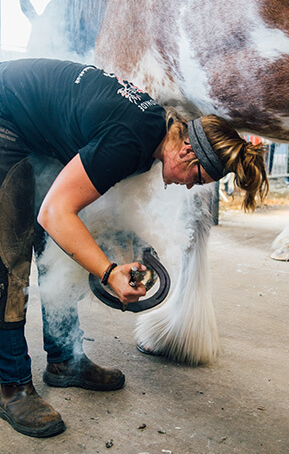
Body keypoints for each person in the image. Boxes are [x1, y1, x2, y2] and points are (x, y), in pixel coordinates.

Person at [0, 58, 268, 438]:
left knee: (59, 250)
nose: (192, 187)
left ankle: (64, 362)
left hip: (31, 127)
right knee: (10, 258)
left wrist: (135, 251)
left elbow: (91, 204)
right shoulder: (131, 139)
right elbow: (56, 212)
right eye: (198, 178)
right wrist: (109, 272)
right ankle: (10, 385)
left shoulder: (153, 131)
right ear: (187, 152)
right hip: (4, 118)